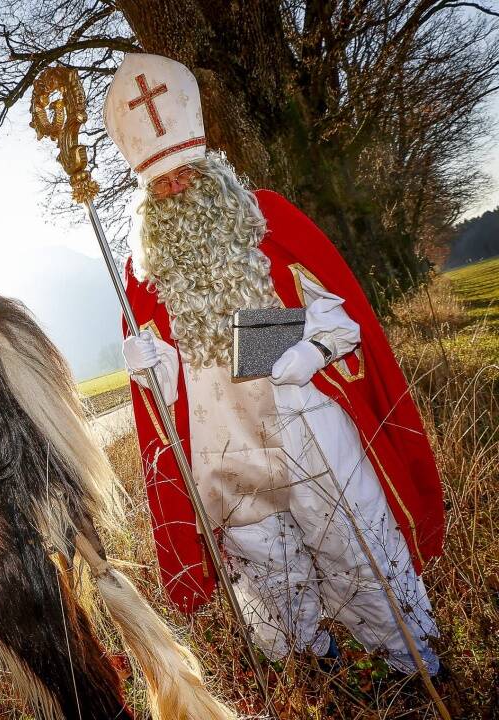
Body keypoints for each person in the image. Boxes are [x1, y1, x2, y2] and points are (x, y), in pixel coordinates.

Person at [104, 53, 446, 675]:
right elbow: (167, 392)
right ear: (146, 197)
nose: (177, 189)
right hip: (223, 449)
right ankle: (319, 672)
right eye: (162, 184)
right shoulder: (140, 270)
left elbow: (340, 313)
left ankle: (413, 664)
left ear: (211, 166)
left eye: (185, 173)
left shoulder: (267, 216)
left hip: (305, 424)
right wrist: (146, 365)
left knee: (356, 550)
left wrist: (310, 350)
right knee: (271, 575)